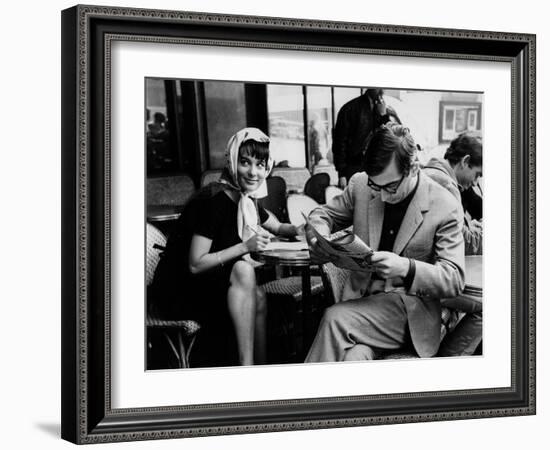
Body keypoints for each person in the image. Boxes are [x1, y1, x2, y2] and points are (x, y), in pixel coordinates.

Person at [305, 123, 465, 362]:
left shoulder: (444, 204)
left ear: (413, 168)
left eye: (390, 186)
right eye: (374, 185)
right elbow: (321, 214)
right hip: (362, 305)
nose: (382, 195)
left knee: (334, 318)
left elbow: (453, 279)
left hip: (410, 313)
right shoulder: (361, 184)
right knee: (355, 359)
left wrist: (406, 268)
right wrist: (319, 237)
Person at [150, 128, 299, 367]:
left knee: (258, 295)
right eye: (245, 162)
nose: (253, 172)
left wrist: (300, 229)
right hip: (178, 289)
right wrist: (245, 246)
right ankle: (246, 367)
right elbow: (195, 264)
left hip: (207, 283)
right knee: (243, 271)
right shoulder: (212, 200)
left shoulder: (245, 200)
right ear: (231, 161)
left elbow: (278, 226)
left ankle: (260, 368)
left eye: (260, 164)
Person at [423, 132, 483, 356]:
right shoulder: (446, 184)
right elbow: (462, 241)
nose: (475, 182)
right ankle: (451, 362)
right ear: (465, 161)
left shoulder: (430, 173)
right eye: (476, 174)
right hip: (431, 280)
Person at [332, 88, 401, 189]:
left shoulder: (379, 108)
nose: (381, 90)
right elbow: (339, 142)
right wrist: (342, 174)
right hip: (353, 166)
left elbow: (387, 135)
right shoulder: (350, 108)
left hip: (372, 165)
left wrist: (383, 116)